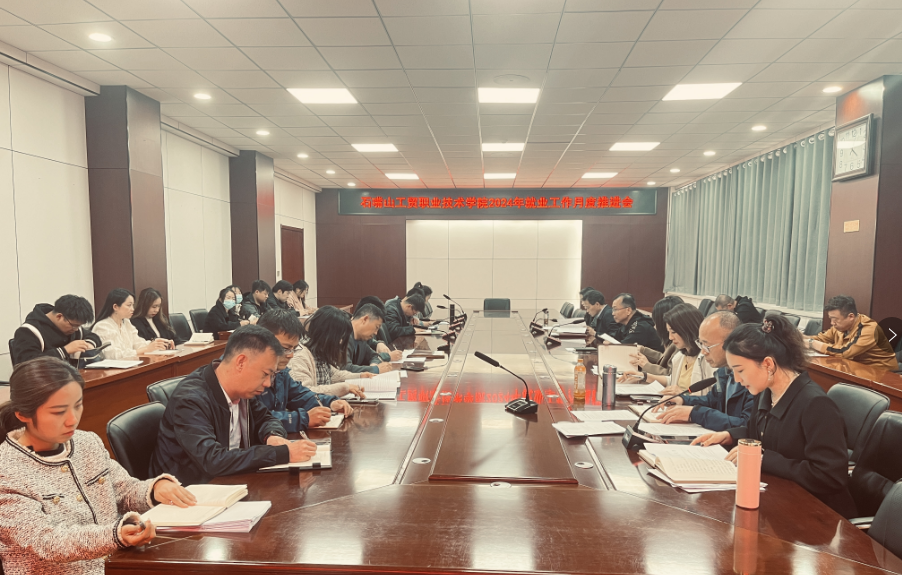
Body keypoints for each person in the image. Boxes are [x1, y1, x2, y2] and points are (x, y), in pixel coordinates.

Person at [0, 357, 196, 575]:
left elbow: (123, 490)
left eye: (78, 405)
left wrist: (155, 489)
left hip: (119, 565)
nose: (72, 419)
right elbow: (47, 541)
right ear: (23, 414)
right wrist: (115, 535)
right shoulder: (7, 471)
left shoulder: (86, 442)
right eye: (58, 412)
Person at [693, 315, 855, 518]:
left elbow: (829, 476)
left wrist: (764, 459)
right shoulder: (766, 392)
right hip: (778, 500)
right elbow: (761, 432)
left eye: (740, 370)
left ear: (768, 364)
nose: (737, 379)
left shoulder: (816, 405)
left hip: (818, 515)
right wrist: (729, 435)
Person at [149, 326, 318, 485]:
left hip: (231, 483)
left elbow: (266, 418)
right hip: (190, 493)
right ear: (241, 362)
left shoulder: (242, 390)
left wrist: (272, 436)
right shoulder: (190, 399)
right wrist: (282, 453)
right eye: (265, 374)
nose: (268, 383)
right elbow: (212, 460)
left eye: (272, 375)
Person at [653, 311, 755, 431]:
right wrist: (683, 400)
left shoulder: (754, 378)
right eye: (700, 344)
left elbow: (747, 426)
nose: (703, 351)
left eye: (707, 345)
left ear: (730, 343)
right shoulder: (724, 371)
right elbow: (712, 401)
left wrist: (696, 414)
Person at [255, 310, 353, 432]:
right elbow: (257, 418)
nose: (290, 355)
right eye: (285, 348)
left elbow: (300, 395)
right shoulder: (250, 374)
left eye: (294, 349)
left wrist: (330, 402)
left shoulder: (280, 372)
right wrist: (303, 418)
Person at [620, 304, 713, 394]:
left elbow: (712, 398)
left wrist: (683, 395)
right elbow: (671, 380)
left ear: (688, 330)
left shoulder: (708, 360)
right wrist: (643, 376)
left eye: (673, 332)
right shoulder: (680, 356)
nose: (670, 337)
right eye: (669, 332)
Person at [288, 306, 371, 398]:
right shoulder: (299, 356)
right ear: (326, 334)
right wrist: (344, 388)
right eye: (339, 337)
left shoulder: (318, 350)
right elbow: (304, 393)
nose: (340, 342)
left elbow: (333, 374)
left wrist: (360, 376)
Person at [806, 295, 898, 370]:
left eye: (835, 319)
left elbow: (845, 352)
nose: (832, 323)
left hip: (882, 374)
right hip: (856, 368)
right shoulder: (839, 327)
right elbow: (821, 339)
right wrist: (799, 338)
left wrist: (811, 343)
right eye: (831, 319)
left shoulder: (869, 329)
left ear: (851, 317)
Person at [12, 294, 102, 366]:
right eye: (74, 325)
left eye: (79, 326)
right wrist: (64, 350)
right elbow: (27, 363)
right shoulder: (28, 331)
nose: (76, 329)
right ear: (59, 316)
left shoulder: (72, 326)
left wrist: (88, 344)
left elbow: (93, 336)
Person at [92, 288, 170, 359]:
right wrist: (146, 349)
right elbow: (113, 355)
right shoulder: (103, 326)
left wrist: (158, 343)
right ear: (115, 307)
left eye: (133, 305)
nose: (132, 309)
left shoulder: (126, 322)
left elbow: (138, 343)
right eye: (129, 305)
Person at [628, 296, 684, 378]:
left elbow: (671, 375)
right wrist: (643, 350)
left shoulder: (679, 342)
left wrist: (647, 365)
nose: (655, 326)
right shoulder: (674, 339)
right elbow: (665, 358)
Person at [346, 304, 394, 374]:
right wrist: (375, 369)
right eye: (376, 327)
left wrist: (374, 364)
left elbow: (374, 356)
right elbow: (345, 368)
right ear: (365, 319)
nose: (376, 333)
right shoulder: (343, 334)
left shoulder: (361, 338)